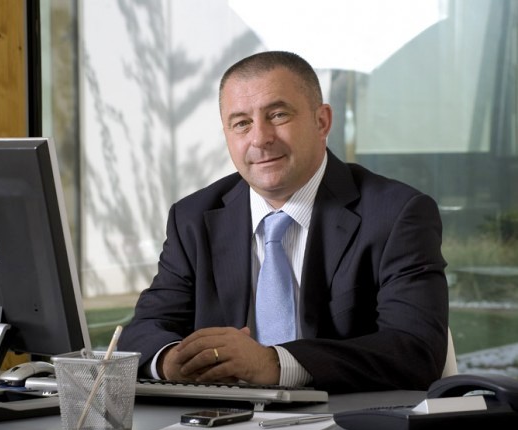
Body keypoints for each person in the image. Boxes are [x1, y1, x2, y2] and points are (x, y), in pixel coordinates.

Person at [118, 51, 448, 393]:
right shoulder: (193, 218)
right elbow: (142, 332)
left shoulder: (396, 214)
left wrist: (275, 363)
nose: (260, 138)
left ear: (322, 122)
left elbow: (416, 351)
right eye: (241, 123)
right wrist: (171, 361)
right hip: (222, 417)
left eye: (277, 115)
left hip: (341, 416)